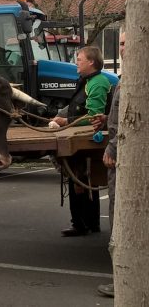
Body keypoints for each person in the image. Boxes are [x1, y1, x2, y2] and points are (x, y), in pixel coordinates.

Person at [52, 46, 111, 237]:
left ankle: (81, 224)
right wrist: (58, 116)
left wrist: (65, 121)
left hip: (87, 140)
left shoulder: (98, 83)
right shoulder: (88, 81)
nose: (76, 62)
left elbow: (94, 116)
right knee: (84, 179)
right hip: (80, 135)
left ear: (91, 62)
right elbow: (75, 106)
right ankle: (90, 223)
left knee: (78, 179)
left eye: (79, 59)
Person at [92, 32, 125, 298]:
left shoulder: (133, 81)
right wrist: (106, 118)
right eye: (121, 43)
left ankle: (124, 280)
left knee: (122, 217)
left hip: (126, 162)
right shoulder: (123, 81)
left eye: (125, 43)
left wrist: (112, 147)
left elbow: (127, 122)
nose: (122, 48)